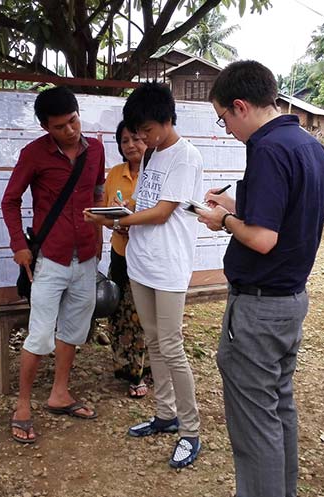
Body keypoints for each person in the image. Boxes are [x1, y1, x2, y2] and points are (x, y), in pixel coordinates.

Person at [196, 60, 324, 497]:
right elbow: (285, 214)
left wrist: (224, 219)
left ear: (240, 106)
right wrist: (235, 202)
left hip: (259, 305)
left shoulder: (267, 148)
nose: (226, 128)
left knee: (254, 424)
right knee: (277, 408)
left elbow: (263, 238)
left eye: (223, 119)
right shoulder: (307, 145)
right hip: (289, 299)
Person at [85, 82, 204, 468]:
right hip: (141, 262)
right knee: (153, 342)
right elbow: (144, 201)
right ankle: (165, 414)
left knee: (171, 346)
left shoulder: (185, 157)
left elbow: (163, 211)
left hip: (169, 265)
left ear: (167, 120)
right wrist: (115, 215)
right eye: (137, 134)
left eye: (147, 131)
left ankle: (191, 430)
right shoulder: (153, 155)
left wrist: (123, 219)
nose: (142, 139)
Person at [1, 86, 106, 444]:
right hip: (51, 257)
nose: (71, 130)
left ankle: (59, 393)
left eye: (74, 121)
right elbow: (10, 201)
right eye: (61, 126)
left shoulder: (97, 149)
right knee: (40, 333)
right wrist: (19, 246)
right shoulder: (33, 154)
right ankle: (23, 405)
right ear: (46, 128)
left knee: (74, 329)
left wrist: (101, 236)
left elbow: (97, 192)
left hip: (87, 255)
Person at [102, 120, 149, 398]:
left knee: (142, 314)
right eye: (124, 141)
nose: (130, 145)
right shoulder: (116, 173)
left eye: (135, 139)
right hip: (120, 252)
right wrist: (114, 222)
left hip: (146, 255)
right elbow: (107, 212)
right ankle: (125, 368)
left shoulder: (155, 173)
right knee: (120, 313)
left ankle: (142, 372)